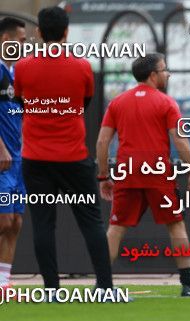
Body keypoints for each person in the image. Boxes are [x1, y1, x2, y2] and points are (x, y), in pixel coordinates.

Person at [14, 6, 114, 293]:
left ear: (39, 33)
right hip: (73, 158)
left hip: (35, 159)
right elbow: (84, 103)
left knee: (44, 225)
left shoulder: (23, 67)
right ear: (67, 32)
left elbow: (22, 103)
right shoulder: (82, 66)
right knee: (91, 223)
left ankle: (51, 290)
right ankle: (105, 287)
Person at [96, 53, 190, 297]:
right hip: (157, 173)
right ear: (153, 75)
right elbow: (180, 140)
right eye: (164, 69)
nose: (167, 74)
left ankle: (102, 286)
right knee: (175, 225)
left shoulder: (117, 103)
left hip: (127, 172)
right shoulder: (166, 103)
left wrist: (103, 176)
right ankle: (187, 285)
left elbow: (102, 142)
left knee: (115, 227)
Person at [0, 17, 26, 295]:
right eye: (20, 40)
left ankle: (2, 284)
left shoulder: (17, 73)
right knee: (3, 220)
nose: (23, 45)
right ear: (5, 41)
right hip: (2, 157)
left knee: (16, 223)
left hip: (18, 159)